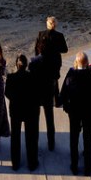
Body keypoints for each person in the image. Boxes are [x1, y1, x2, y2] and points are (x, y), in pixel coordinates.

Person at [35, 16, 68, 151]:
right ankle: (56, 99)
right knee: (54, 80)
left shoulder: (41, 34)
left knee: (49, 82)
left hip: (42, 67)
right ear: (55, 25)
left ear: (47, 24)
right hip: (54, 64)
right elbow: (65, 50)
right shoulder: (59, 36)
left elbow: (36, 50)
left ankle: (54, 99)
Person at [60, 52, 91, 175]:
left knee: (74, 138)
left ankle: (74, 166)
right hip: (88, 111)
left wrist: (64, 105)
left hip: (74, 111)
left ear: (76, 62)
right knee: (87, 138)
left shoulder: (71, 74)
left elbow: (64, 92)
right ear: (87, 62)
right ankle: (88, 167)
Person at [5, 54, 40, 171]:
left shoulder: (11, 77)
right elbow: (36, 94)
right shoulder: (33, 77)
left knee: (15, 137)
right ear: (26, 66)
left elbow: (7, 93)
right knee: (31, 138)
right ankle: (32, 163)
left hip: (15, 110)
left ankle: (15, 163)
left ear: (16, 65)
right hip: (30, 110)